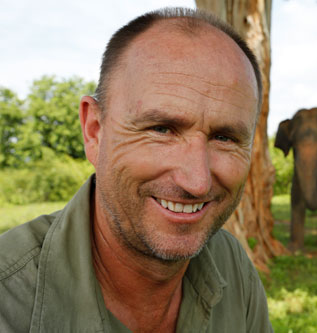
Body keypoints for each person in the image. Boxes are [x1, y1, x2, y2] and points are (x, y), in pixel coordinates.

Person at [0, 7, 273, 332]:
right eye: (161, 129)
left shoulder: (232, 265)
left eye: (225, 137)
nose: (197, 182)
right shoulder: (9, 298)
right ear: (94, 131)